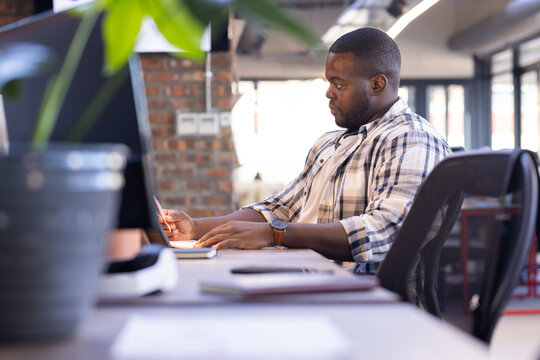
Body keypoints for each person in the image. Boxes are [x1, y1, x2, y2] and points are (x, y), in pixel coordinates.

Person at [160, 27, 451, 273]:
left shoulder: (410, 138)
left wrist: (277, 235)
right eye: (329, 82)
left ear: (377, 84)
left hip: (367, 303)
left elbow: (384, 230)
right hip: (313, 281)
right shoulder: (328, 143)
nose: (328, 92)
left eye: (339, 83)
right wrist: (196, 228)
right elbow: (278, 209)